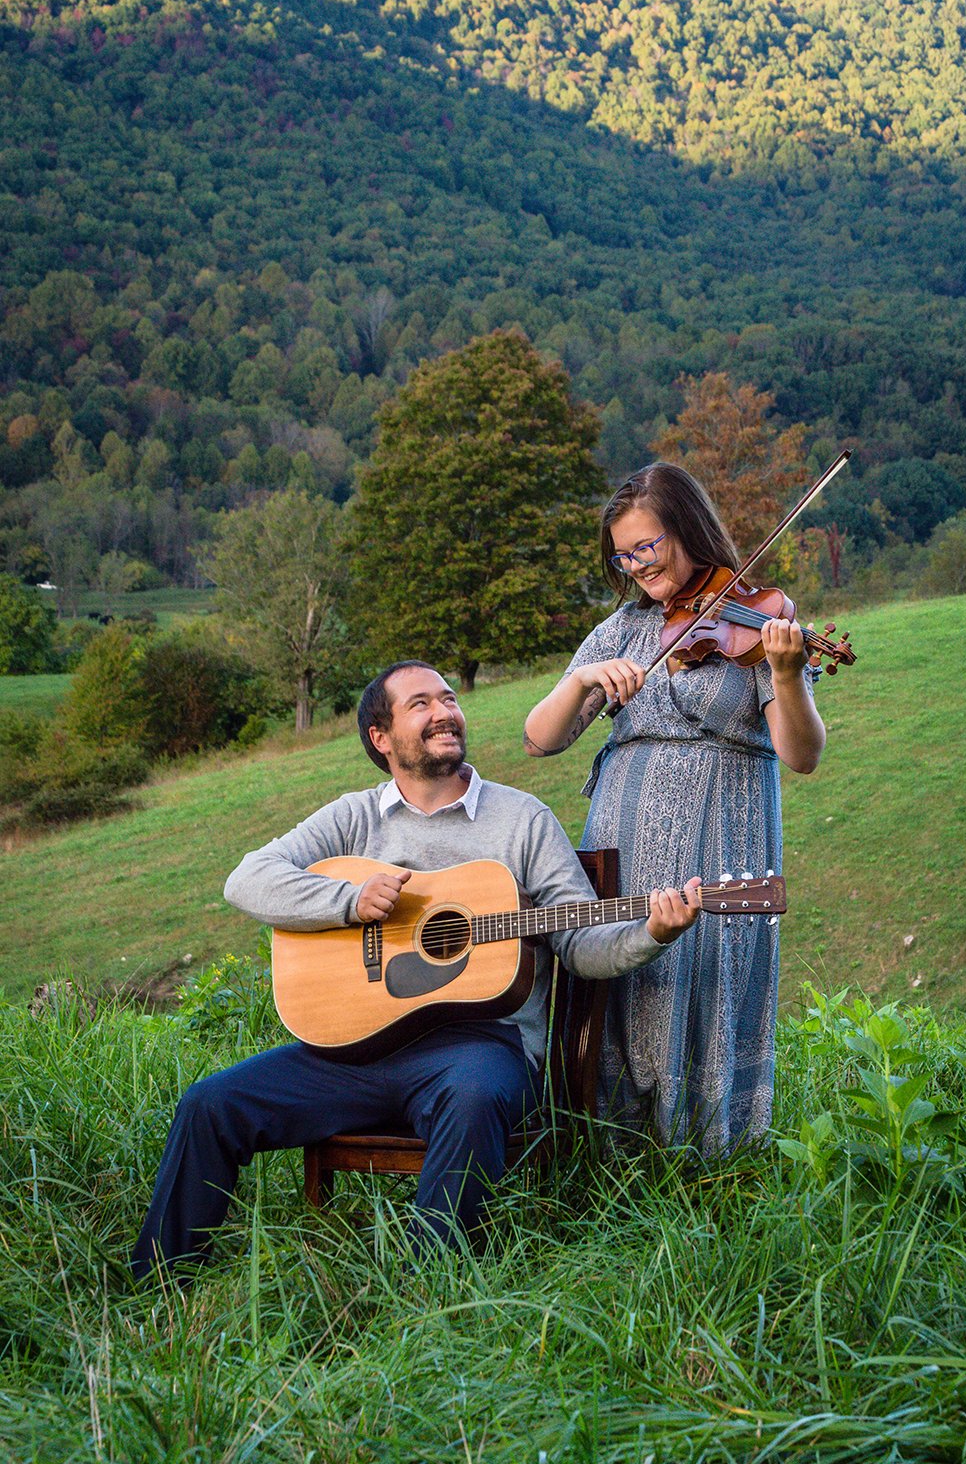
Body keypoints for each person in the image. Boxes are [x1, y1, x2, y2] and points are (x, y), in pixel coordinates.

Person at [131, 660, 701, 1281]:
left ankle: (428, 1292)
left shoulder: (522, 820)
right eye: (420, 704)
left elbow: (581, 943)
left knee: (475, 1094)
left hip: (480, 1047)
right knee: (210, 1103)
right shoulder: (353, 818)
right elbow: (246, 881)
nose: (444, 712)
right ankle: (159, 1283)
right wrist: (347, 904)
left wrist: (651, 931)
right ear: (382, 737)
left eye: (449, 699)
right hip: (350, 1048)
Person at [522, 463, 825, 1155]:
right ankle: (607, 1157)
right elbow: (541, 739)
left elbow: (802, 756)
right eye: (623, 555)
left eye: (647, 549)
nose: (635, 568)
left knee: (706, 984)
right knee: (625, 984)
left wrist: (784, 673)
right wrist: (582, 679)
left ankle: (712, 1162)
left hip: (725, 837)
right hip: (622, 845)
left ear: (687, 530)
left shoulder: (761, 619)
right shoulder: (622, 629)